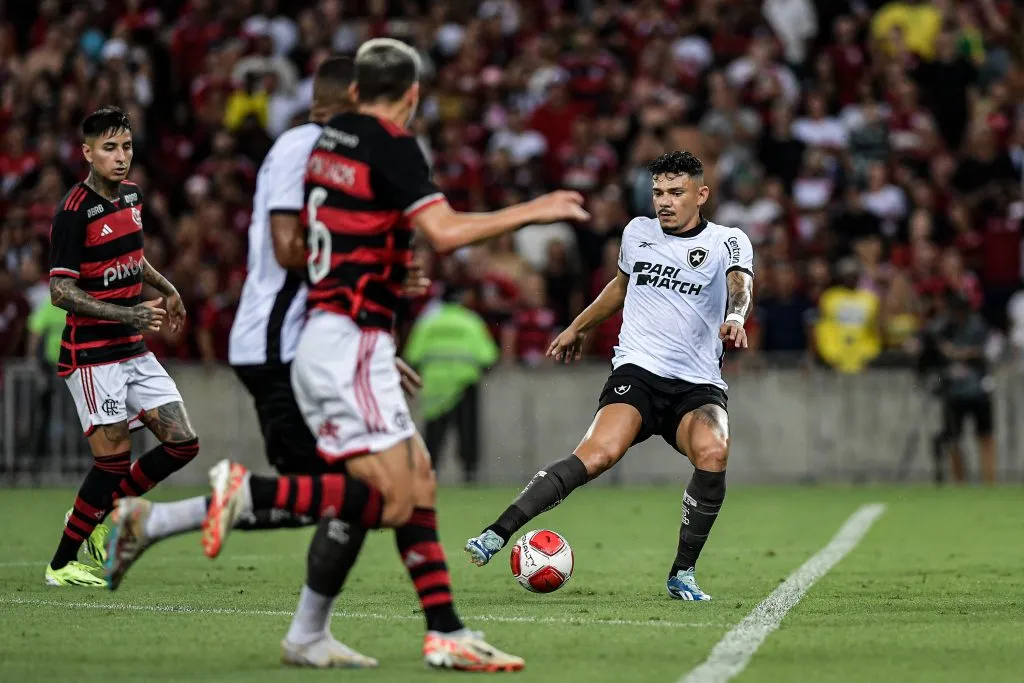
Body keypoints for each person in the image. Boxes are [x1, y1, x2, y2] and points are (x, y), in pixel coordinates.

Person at [200, 38, 588, 670]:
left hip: (335, 335)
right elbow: (445, 231)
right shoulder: (392, 144)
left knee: (416, 482)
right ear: (412, 94)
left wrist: (385, 263)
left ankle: (443, 632)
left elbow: (344, 226)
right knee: (390, 494)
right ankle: (250, 495)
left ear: (355, 92)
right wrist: (532, 211)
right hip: (350, 338)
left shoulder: (327, 140)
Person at [101, 57, 426, 589]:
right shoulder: (303, 148)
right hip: (281, 348)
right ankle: (307, 628)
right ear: (351, 94)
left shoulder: (335, 151)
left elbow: (326, 262)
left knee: (351, 495)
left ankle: (160, 522)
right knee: (355, 493)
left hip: (308, 345)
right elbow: (290, 247)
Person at [464, 150, 755, 602]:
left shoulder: (727, 240)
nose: (664, 201)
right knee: (596, 455)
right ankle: (496, 534)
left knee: (714, 452)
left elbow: (741, 285)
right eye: (658, 191)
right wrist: (578, 326)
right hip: (637, 373)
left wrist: (736, 316)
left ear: (701, 194)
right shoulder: (637, 233)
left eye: (676, 192)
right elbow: (621, 287)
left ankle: (683, 572)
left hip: (697, 385)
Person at [43, 107, 200, 587]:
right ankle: (61, 564)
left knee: (182, 443)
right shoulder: (74, 211)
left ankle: (97, 516)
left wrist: (166, 286)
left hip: (131, 348)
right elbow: (60, 292)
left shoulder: (130, 197)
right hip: (91, 355)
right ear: (88, 152)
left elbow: (133, 257)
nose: (121, 156)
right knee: (112, 461)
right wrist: (129, 313)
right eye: (109, 148)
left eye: (126, 146)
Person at [404, 285, 500, 483]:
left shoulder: (428, 322)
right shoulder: (470, 321)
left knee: (434, 435)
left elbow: (412, 354)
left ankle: (429, 475)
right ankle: (470, 475)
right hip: (464, 385)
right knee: (467, 432)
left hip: (435, 387)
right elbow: (488, 356)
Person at [934, 290, 997, 483]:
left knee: (985, 435)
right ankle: (959, 482)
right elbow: (935, 345)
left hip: (978, 389)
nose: (958, 314)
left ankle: (989, 481)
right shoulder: (945, 326)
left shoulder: (978, 325)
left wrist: (957, 353)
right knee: (954, 438)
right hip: (954, 391)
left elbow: (985, 350)